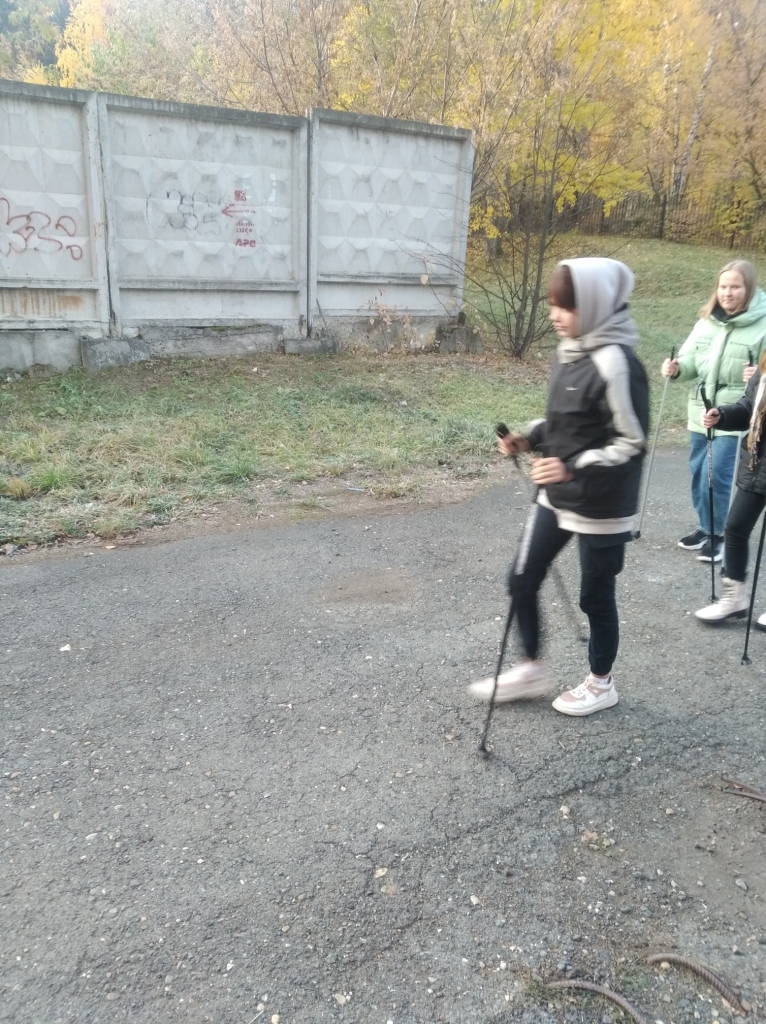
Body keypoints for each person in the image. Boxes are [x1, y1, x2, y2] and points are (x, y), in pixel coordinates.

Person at [468, 258, 649, 716]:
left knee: (595, 596)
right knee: (522, 578)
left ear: (595, 305)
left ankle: (601, 683)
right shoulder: (569, 349)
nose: (555, 315)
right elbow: (564, 422)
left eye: (567, 306)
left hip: (603, 503)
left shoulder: (617, 363)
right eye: (552, 304)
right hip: (558, 493)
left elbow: (630, 443)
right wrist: (529, 440)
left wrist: (570, 468)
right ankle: (531, 667)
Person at [662, 260, 766, 564]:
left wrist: (758, 377)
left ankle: (720, 535)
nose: (728, 293)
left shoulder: (763, 323)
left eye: (735, 287)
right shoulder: (706, 321)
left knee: (717, 474)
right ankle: (706, 527)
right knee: (699, 474)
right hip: (702, 409)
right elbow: (690, 360)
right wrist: (677, 368)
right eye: (723, 286)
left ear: (749, 289)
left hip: (737, 413)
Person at [695, 351, 766, 624]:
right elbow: (748, 405)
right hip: (756, 464)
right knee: (735, 528)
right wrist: (721, 415)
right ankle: (735, 599)